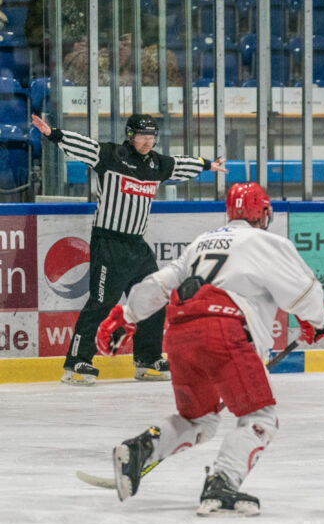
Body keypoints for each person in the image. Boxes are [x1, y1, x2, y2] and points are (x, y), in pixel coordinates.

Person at [96, 182, 324, 516]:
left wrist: (128, 315)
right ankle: (221, 485)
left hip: (179, 333)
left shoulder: (201, 242)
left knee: (200, 420)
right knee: (259, 418)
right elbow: (304, 291)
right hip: (225, 332)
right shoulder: (265, 240)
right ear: (263, 213)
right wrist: (318, 321)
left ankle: (138, 449)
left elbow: (161, 283)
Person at [31, 113, 228, 385]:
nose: (148, 142)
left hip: (137, 246)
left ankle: (146, 360)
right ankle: (77, 362)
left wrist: (207, 164)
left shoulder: (156, 163)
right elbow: (84, 147)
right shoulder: (112, 155)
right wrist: (53, 133)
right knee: (101, 304)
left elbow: (180, 165)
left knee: (155, 298)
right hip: (109, 243)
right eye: (142, 136)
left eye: (152, 137)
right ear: (130, 135)